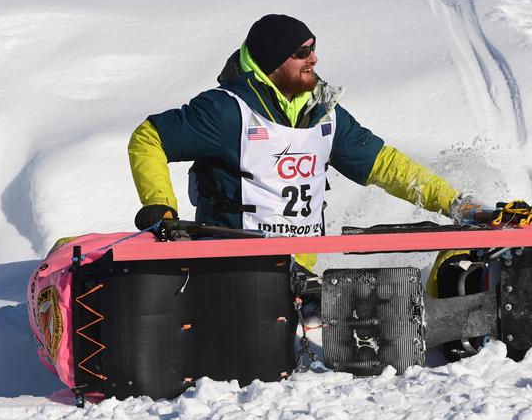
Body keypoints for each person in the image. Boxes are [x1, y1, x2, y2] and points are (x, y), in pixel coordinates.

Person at [128, 14, 482, 273]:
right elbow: (149, 138)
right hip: (231, 273)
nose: (314, 59)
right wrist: (161, 209)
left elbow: (385, 166)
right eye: (301, 52)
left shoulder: (325, 115)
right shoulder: (225, 111)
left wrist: (454, 204)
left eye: (313, 49)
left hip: (302, 274)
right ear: (271, 62)